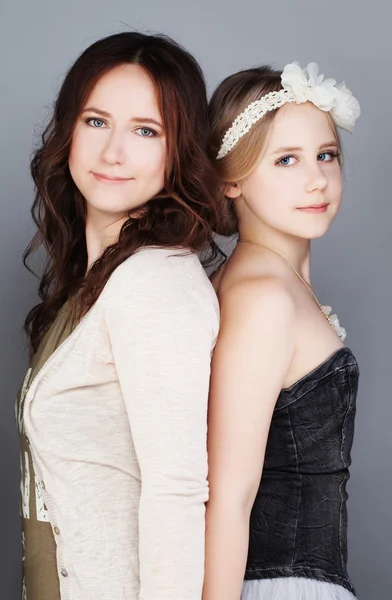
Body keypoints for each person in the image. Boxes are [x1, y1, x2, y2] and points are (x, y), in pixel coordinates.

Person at [16, 31, 223, 600]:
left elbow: (177, 490)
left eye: (145, 131)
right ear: (69, 132)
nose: (113, 152)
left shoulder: (154, 281)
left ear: (177, 151)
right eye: (96, 121)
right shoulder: (94, 285)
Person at [203, 62, 361, 599]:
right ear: (230, 179)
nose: (316, 178)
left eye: (326, 155)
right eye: (286, 160)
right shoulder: (262, 298)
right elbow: (229, 496)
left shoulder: (270, 282)